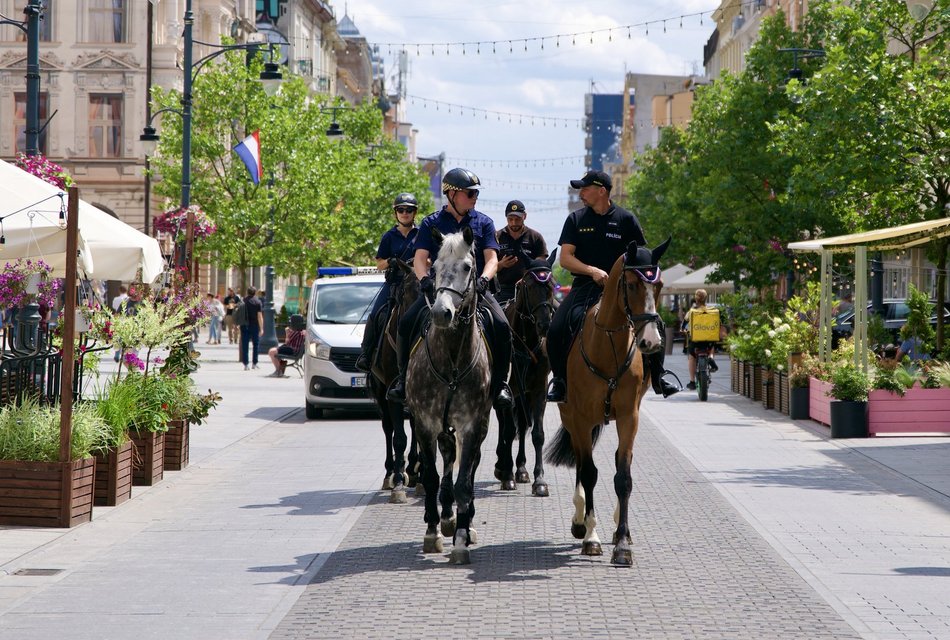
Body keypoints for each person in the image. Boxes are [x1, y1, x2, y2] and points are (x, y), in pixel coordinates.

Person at [546, 169, 679, 402]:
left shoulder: (626, 220)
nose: (581, 194)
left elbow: (641, 256)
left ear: (602, 191)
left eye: (585, 189)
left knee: (654, 322)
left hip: (624, 290)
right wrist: (592, 270)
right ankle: (559, 381)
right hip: (585, 286)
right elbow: (566, 258)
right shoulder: (576, 220)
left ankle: (658, 376)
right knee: (556, 327)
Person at [387, 167, 513, 410]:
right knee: (405, 324)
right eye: (470, 193)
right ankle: (403, 381)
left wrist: (485, 279)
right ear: (452, 194)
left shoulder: (483, 222)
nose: (475, 197)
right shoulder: (431, 223)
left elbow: (492, 259)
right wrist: (423, 279)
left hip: (475, 289)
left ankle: (499, 387)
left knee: (502, 326)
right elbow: (421, 257)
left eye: (475, 193)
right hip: (440, 292)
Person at [355, 192, 420, 373]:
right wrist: (391, 261)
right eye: (401, 210)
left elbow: (429, 260)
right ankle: (366, 354)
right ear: (396, 213)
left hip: (417, 285)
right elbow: (379, 264)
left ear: (414, 213)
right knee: (376, 314)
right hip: (394, 284)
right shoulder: (389, 236)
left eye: (409, 210)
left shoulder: (422, 234)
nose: (405, 213)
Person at [494, 199, 548, 305]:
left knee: (553, 311)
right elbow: (488, 264)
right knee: (491, 318)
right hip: (504, 290)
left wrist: (528, 277)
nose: (514, 223)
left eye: (517, 219)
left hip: (532, 288)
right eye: (510, 219)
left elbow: (541, 262)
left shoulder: (535, 237)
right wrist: (501, 264)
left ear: (525, 216)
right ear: (506, 218)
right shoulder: (497, 237)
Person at [683, 289, 719, 390]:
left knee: (692, 357)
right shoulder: (712, 310)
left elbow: (684, 324)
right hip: (709, 341)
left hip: (696, 341)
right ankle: (711, 357)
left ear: (696, 299)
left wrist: (683, 330)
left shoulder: (692, 311)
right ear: (706, 298)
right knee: (712, 343)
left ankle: (692, 381)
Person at [240, 286, 264, 370]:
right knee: (256, 345)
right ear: (255, 292)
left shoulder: (243, 301)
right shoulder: (258, 302)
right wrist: (261, 328)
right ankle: (254, 363)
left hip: (244, 325)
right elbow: (259, 316)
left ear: (247, 292)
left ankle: (246, 364)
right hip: (254, 325)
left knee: (245, 344)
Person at [111, 284, 129, 362]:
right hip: (126, 319)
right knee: (126, 337)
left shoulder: (116, 299)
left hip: (118, 318)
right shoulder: (128, 299)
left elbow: (114, 308)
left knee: (118, 337)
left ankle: (117, 354)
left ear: (119, 291)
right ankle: (124, 355)